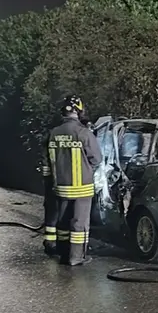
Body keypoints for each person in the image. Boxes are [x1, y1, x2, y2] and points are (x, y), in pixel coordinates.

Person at [40, 95, 103, 266]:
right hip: (82, 188)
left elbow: (46, 163)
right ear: (78, 111)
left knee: (62, 222)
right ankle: (76, 257)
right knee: (79, 224)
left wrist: (49, 184)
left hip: (60, 187)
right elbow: (96, 159)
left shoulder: (53, 133)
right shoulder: (84, 133)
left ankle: (63, 253)